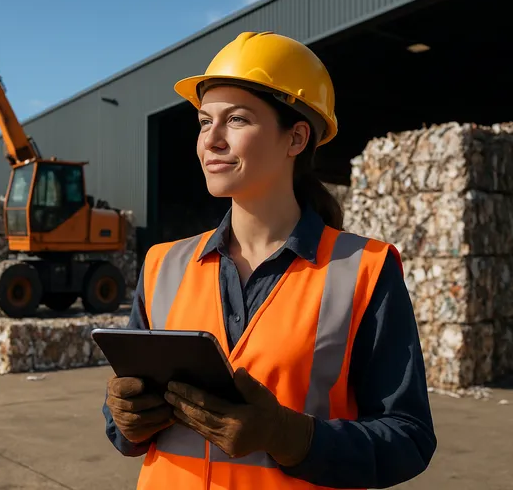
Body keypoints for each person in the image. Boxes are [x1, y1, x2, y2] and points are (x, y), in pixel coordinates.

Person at [102, 31, 437, 489]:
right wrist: (123, 419)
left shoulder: (365, 270)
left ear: (296, 137)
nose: (212, 141)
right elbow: (127, 423)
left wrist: (290, 436)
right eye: (204, 122)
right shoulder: (164, 265)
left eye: (236, 120)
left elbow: (408, 439)